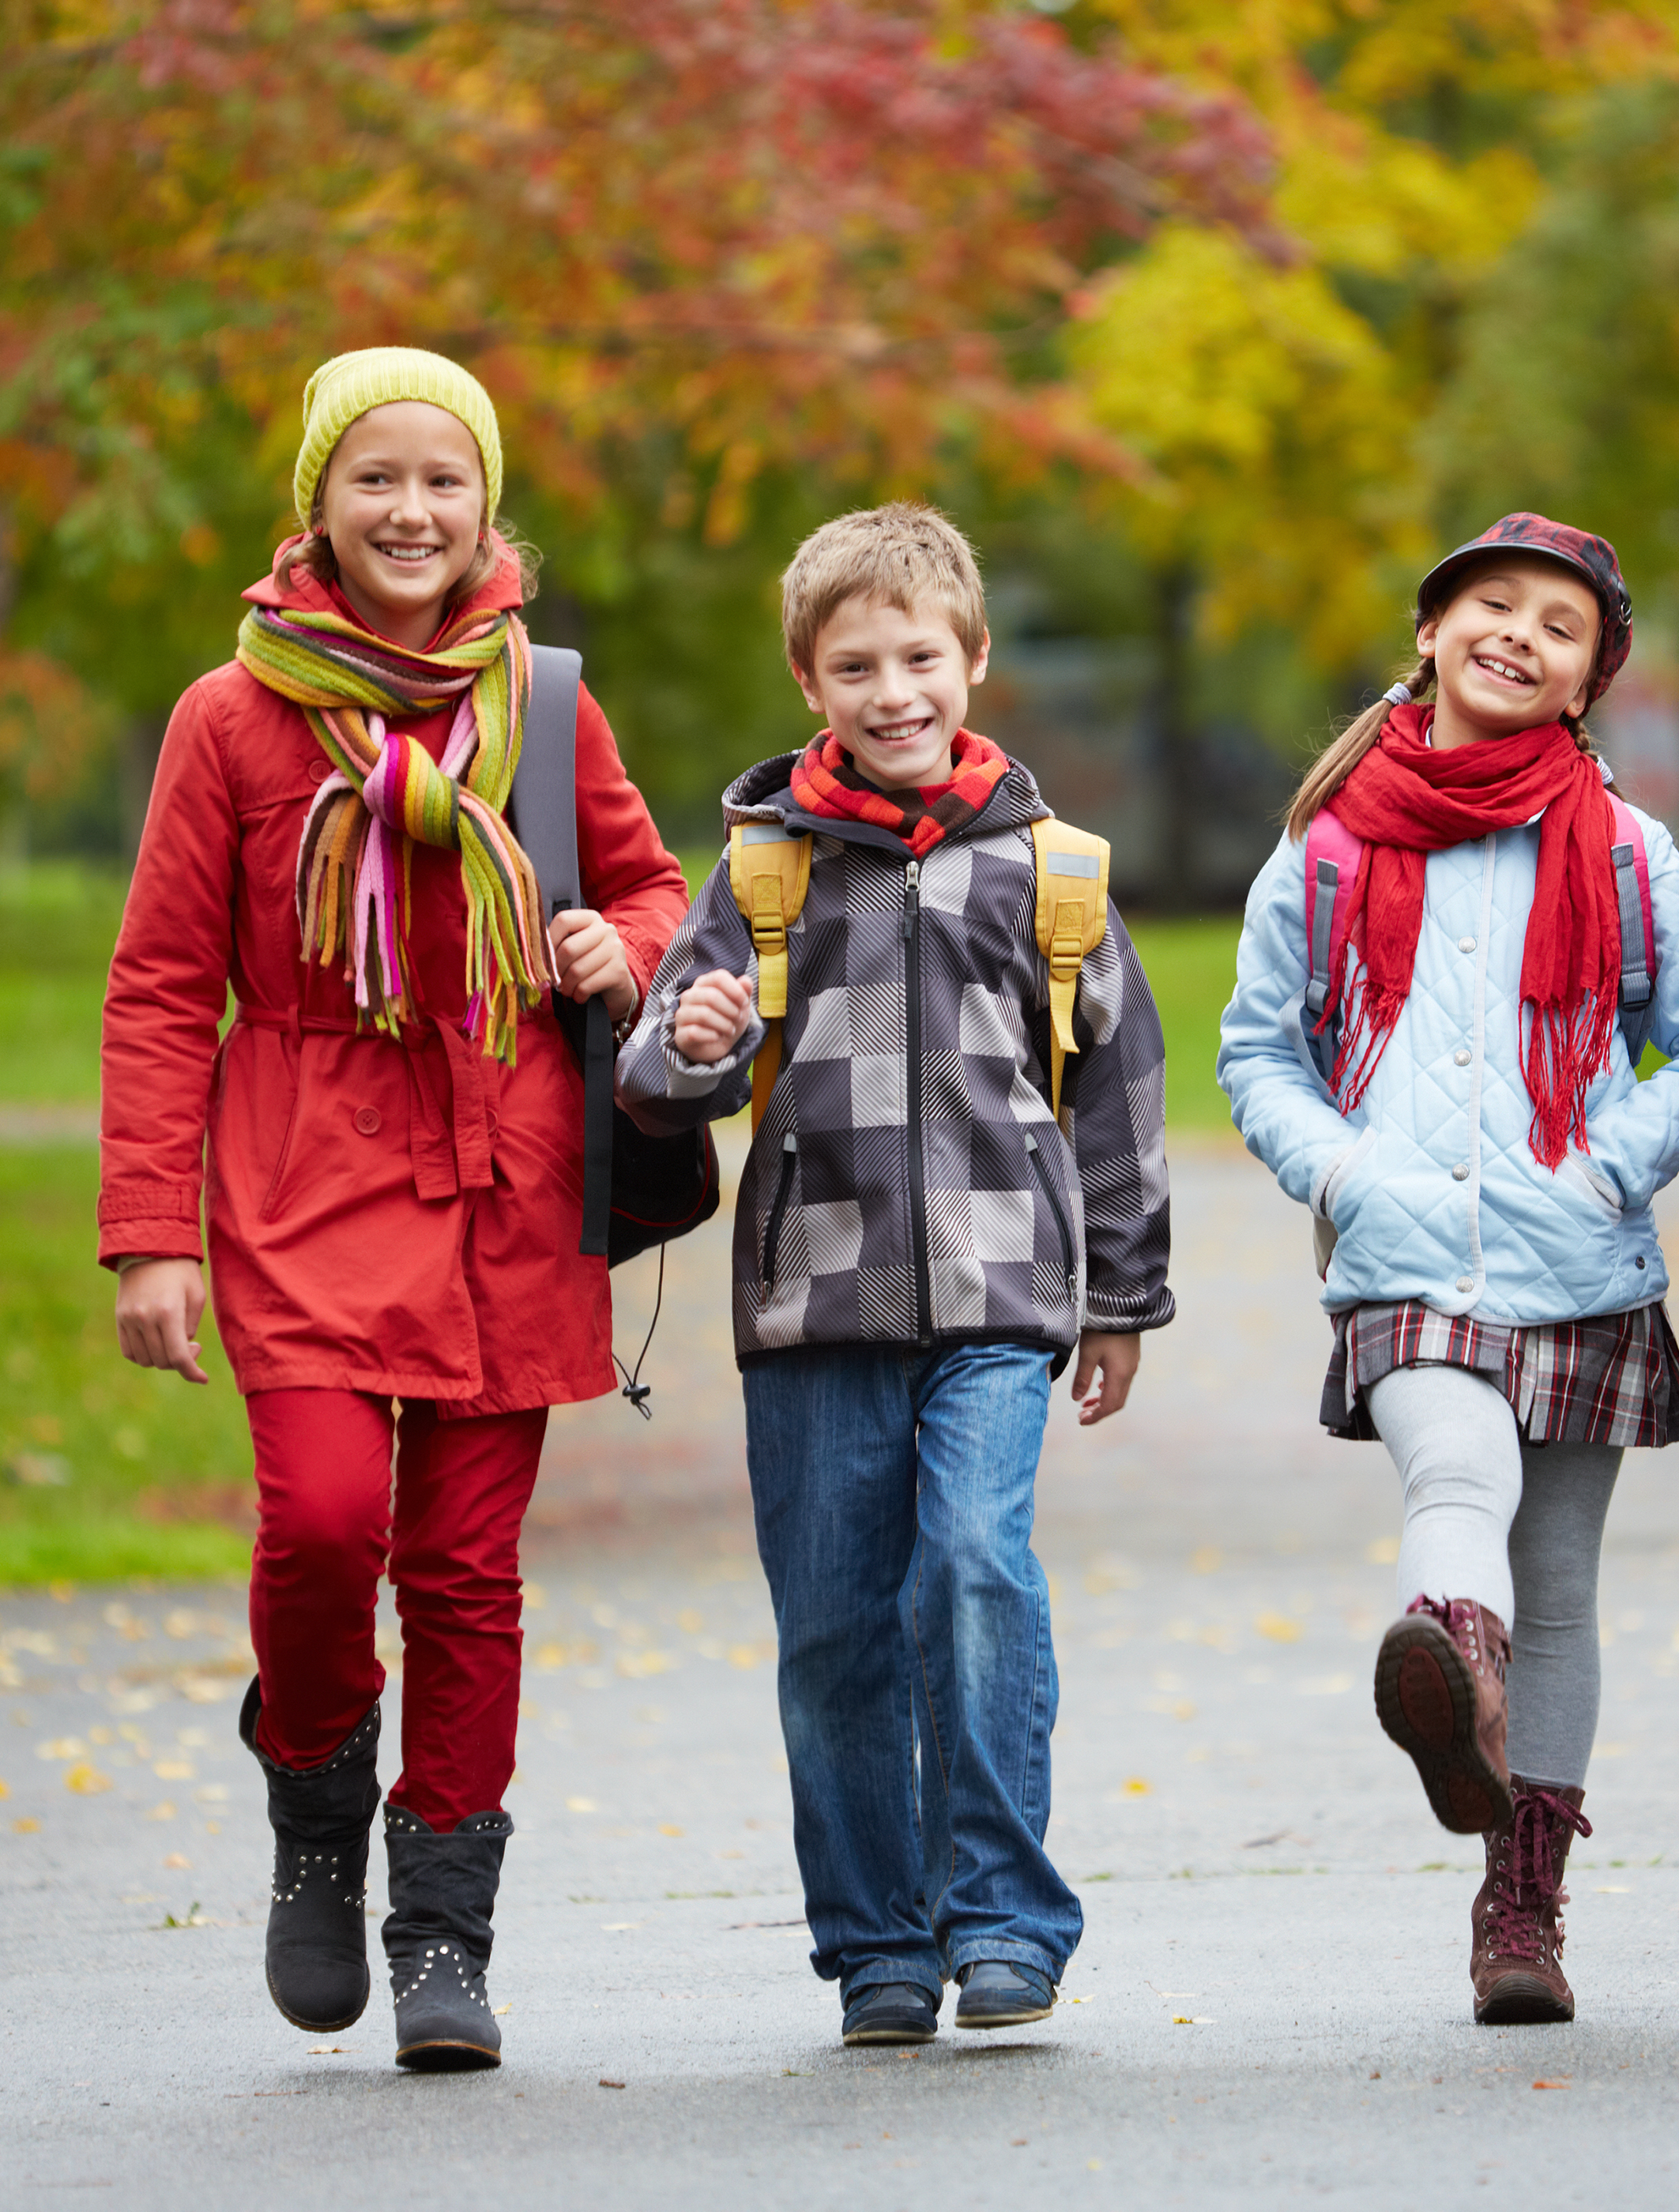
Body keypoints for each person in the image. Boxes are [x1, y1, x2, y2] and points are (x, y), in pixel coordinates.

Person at [100, 348, 687, 2071]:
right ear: (319, 502)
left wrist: (619, 946)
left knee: (464, 1572)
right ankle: (312, 1791)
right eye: (377, 477)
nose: (411, 510)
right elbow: (160, 988)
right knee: (322, 1521)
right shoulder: (229, 717)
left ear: (486, 506)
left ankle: (443, 1932)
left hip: (508, 1174)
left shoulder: (547, 702)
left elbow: (656, 888)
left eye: (444, 480)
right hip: (305, 1172)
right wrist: (151, 1234)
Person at [615, 502, 1175, 2049]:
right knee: (834, 1630)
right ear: (811, 680)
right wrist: (692, 1044)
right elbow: (659, 1070)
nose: (893, 690)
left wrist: (1123, 1300)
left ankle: (1003, 1919)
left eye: (920, 657)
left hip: (1000, 1300)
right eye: (855, 665)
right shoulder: (764, 869)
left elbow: (1117, 1097)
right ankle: (877, 1945)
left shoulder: (1051, 875)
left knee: (975, 1568)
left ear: (972, 659)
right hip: (815, 1303)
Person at [1218, 514, 1679, 2025]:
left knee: (1563, 1589)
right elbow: (1259, 1052)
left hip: (1580, 1264)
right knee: (1456, 1468)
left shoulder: (1624, 851)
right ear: (1430, 630)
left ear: (1590, 679)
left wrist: (1608, 1166)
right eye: (1491, 603)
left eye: (1560, 624)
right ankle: (1456, 1673)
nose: (1519, 634)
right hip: (1402, 1258)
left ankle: (1522, 1905)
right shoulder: (1330, 846)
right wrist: (1345, 1173)